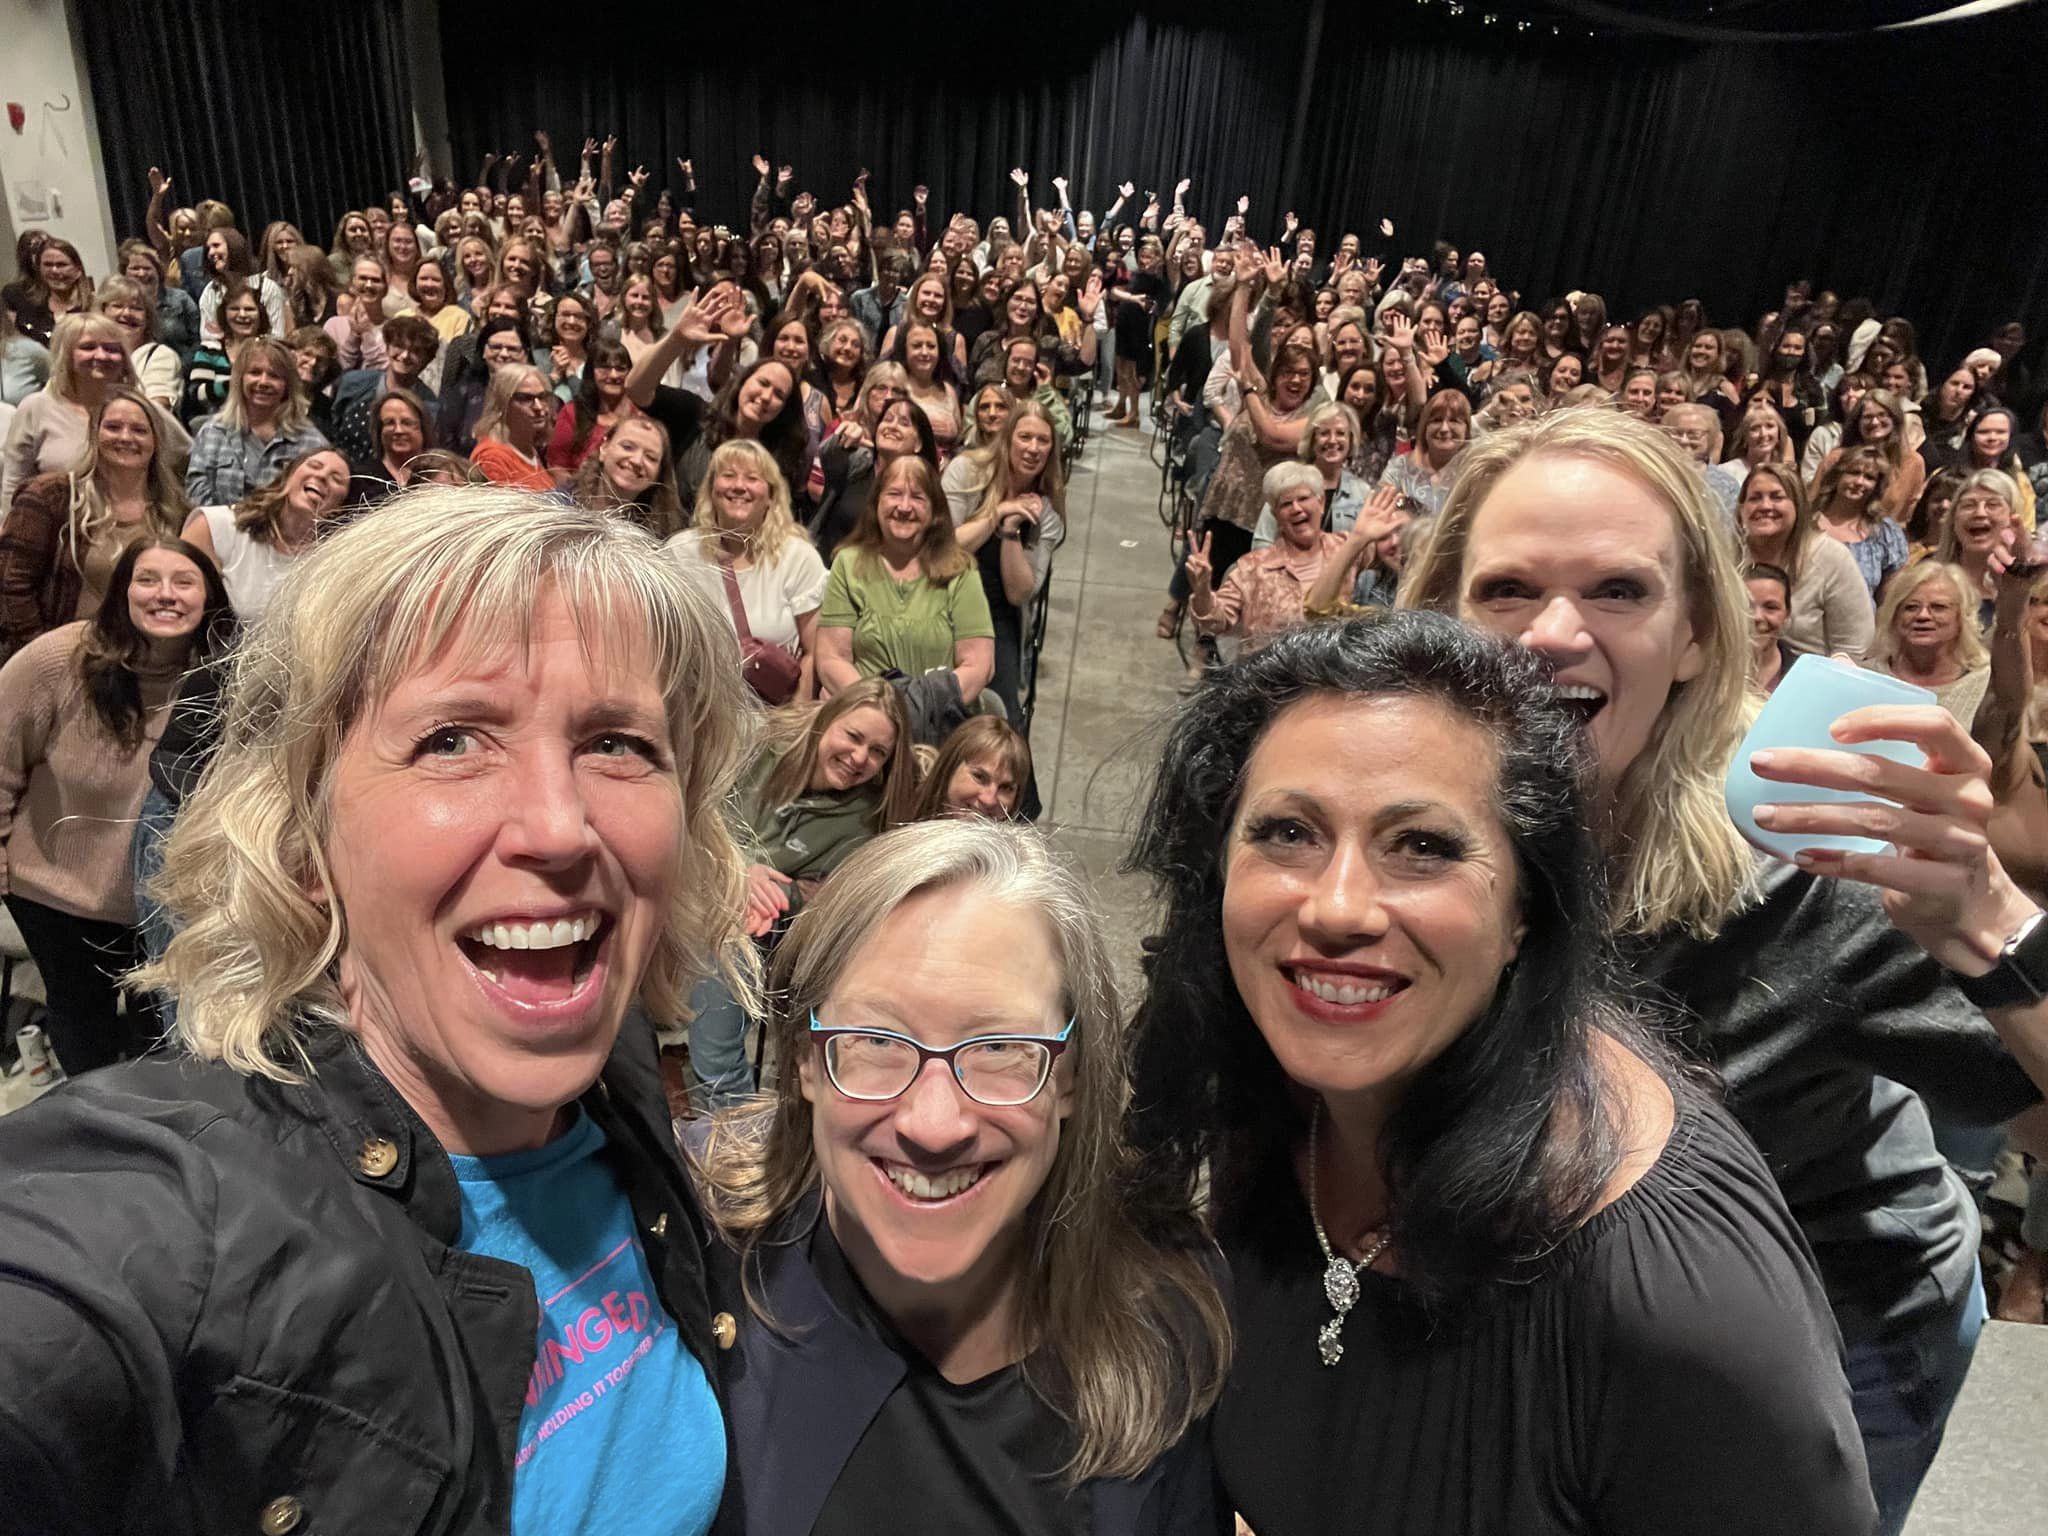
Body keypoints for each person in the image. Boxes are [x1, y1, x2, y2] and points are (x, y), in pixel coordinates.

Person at [0, 489, 749, 1531]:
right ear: (304, 841)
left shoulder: (607, 1078)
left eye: (619, 744)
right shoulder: (171, 1218)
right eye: (452, 739)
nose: (561, 826)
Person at [1399, 407, 2041, 1533]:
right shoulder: (1406, 842)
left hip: (1833, 1329)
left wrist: (1988, 921)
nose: (1552, 631)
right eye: (1505, 591)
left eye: (1615, 591)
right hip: (1574, 1314)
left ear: (1696, 634)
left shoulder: (1806, 852)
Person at [1127, 608, 1873, 1535]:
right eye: (1287, 832)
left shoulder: (1681, 1308)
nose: (1339, 907)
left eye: (1425, 847)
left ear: (1528, 908)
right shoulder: (1274, 1097)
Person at [693, 819, 1230, 1534]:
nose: (934, 1124)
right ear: (806, 1062)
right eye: (877, 1042)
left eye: (1002, 1047)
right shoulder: (689, 1254)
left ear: (1070, 1075)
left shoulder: (1165, 1311)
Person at [0, 535, 231, 1074]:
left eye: (184, 582)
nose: (165, 595)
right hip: (57, 894)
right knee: (85, 1023)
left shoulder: (223, 678)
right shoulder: (62, 658)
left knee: (162, 1029)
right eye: (147, 579)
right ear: (122, 592)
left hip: (164, 896)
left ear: (209, 599)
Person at [683, 678, 918, 1108]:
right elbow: (688, 811)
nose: (859, 758)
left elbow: (827, 895)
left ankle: (728, 1117)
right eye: (853, 736)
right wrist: (737, 871)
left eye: (878, 752)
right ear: (827, 719)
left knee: (733, 941)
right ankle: (720, 1110)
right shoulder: (755, 740)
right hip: (680, 882)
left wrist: (771, 894)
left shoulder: (864, 818)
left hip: (748, 927)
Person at [0, 387, 192, 658]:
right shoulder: (49, 497)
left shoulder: (177, 512)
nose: (125, 437)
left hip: (143, 663)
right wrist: (44, 655)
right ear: (95, 434)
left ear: (156, 441)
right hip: (57, 658)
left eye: (139, 430)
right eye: (113, 427)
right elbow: (11, 583)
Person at [815, 455, 995, 737]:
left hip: (939, 727)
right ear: (876, 504)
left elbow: (978, 666)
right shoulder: (848, 564)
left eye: (918, 497)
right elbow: (831, 659)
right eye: (894, 494)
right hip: (862, 723)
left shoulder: (960, 570)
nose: (904, 507)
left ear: (935, 510)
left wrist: (918, 709)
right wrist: (881, 712)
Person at [668, 439, 829, 702]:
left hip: (771, 717)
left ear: (771, 496)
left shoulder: (799, 558)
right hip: (695, 714)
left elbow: (815, 651)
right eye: (728, 475)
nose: (739, 486)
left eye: (753, 478)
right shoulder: (679, 552)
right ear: (711, 491)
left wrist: (792, 724)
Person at [941, 398, 1065, 724]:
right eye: (1025, 437)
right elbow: (941, 549)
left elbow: (1020, 593)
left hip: (997, 616)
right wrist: (996, 514)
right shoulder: (967, 472)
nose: (1033, 448)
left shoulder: (1047, 511)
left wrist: (1010, 531)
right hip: (940, 598)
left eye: (1043, 441)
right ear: (1007, 438)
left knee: (1000, 718)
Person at [5, 314, 186, 512]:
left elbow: (186, 458)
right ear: (66, 354)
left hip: (134, 531)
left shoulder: (141, 409)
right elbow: (13, 485)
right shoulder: (35, 408)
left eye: (111, 349)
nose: (101, 355)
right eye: (88, 347)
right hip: (58, 533)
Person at [182, 447, 351, 619]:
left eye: (336, 479)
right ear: (288, 477)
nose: (322, 476)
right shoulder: (213, 526)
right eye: (314, 466)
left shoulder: (331, 565)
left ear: (339, 508)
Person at [1736, 462, 1875, 659]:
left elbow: (1854, 645)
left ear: (1798, 505)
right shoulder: (1727, 553)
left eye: (1777, 497)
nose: (1765, 506)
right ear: (1742, 509)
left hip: (1811, 678)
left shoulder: (1832, 558)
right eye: (1755, 498)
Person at [183, 336, 330, 504]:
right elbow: (195, 495)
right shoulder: (212, 432)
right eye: (255, 373)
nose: (263, 382)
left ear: (288, 385)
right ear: (240, 379)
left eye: (274, 376)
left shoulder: (313, 445)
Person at [1865, 561, 1990, 725]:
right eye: (1911, 607)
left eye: (1938, 607)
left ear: (1962, 617)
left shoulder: (1984, 682)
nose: (1922, 616)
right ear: (1894, 615)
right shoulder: (1865, 677)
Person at [565, 414, 684, 537]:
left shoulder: (663, 537)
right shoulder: (559, 506)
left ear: (659, 473)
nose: (637, 461)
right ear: (604, 448)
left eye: (650, 457)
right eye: (627, 447)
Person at [1812, 446, 1908, 597]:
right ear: (1837, 476)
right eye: (1853, 473)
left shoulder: (1885, 533)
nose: (1859, 482)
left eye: (1869, 477)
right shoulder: (1808, 522)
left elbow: (1890, 597)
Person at [546, 339, 639, 479]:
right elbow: (557, 466)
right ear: (591, 372)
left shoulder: (640, 415)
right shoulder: (572, 412)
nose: (614, 375)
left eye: (620, 368)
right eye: (605, 367)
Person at [912, 714, 1032, 820]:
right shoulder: (900, 809)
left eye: (1006, 788)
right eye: (979, 777)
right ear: (950, 767)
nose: (989, 800)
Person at [93, 276, 183, 414]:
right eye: (117, 305)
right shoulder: (90, 355)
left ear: (148, 319)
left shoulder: (160, 356)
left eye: (136, 308)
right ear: (102, 312)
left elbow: (157, 411)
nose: (127, 313)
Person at [1378, 388, 1470, 517]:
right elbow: (1378, 512)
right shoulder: (1400, 468)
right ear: (1424, 427)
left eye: (1454, 421)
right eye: (1436, 420)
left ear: (1467, 429)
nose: (1444, 428)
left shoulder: (1474, 474)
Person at [468, 363, 558, 490]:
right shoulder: (491, 458)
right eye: (526, 398)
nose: (539, 407)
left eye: (542, 397)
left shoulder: (527, 448)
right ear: (503, 403)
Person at [343, 389, 436, 508]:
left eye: (406, 423)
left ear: (423, 428)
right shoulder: (361, 479)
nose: (398, 430)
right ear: (379, 431)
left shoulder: (438, 476)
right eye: (389, 423)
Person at [3, 235, 93, 348]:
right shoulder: (25, 305)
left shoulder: (94, 306)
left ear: (78, 270)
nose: (54, 270)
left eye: (61, 265)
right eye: (48, 265)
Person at [1744, 560, 1802, 693]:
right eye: (1746, 605)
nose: (1757, 616)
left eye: (1771, 607)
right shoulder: (1703, 675)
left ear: (1787, 613)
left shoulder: (1804, 678)